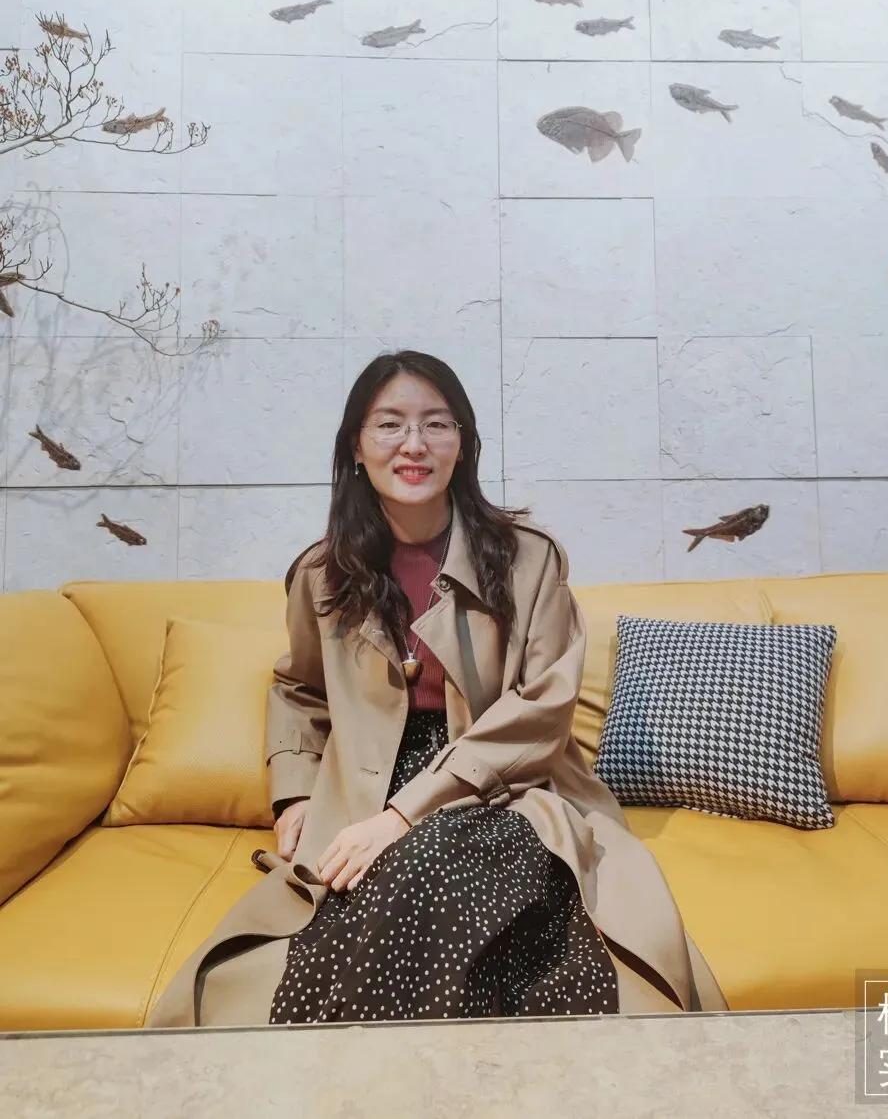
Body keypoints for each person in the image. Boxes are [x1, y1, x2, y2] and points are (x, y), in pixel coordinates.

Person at [147, 350, 726, 1027]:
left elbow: (541, 710)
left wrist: (401, 818)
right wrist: (295, 793)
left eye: (436, 424)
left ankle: (376, 1063)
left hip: (506, 782)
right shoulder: (321, 574)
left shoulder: (528, 558)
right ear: (356, 446)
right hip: (367, 785)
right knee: (376, 890)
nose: (414, 444)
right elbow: (300, 689)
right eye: (390, 424)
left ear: (462, 443)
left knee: (431, 859)